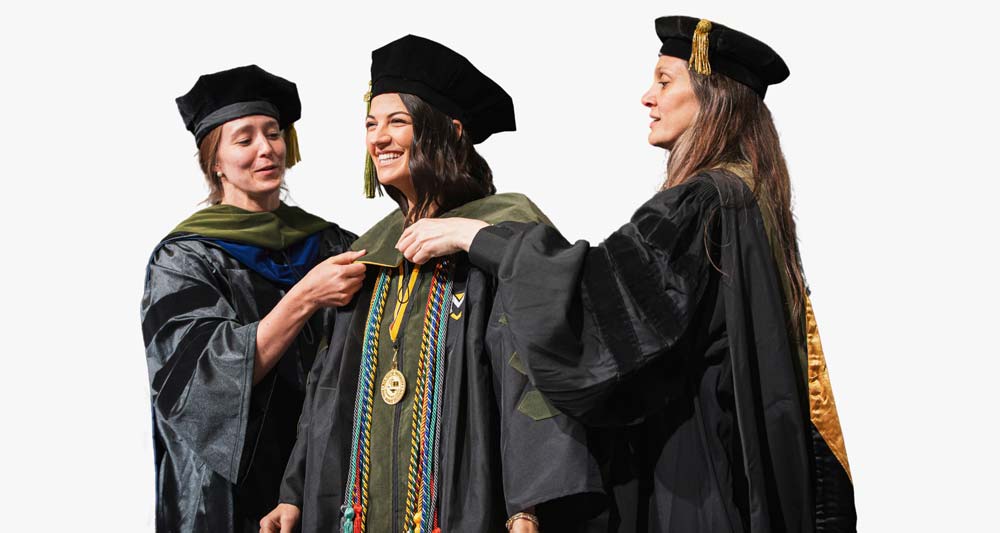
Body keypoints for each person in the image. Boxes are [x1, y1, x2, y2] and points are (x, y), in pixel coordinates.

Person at [397, 17, 857, 532]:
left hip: (698, 476)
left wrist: (477, 238)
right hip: (739, 469)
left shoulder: (701, 201)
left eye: (664, 80)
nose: (647, 96)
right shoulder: (753, 199)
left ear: (713, 97)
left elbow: (599, 300)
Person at [260, 35, 603, 533]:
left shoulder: (501, 234)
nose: (378, 138)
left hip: (465, 502)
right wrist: (293, 493)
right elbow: (327, 387)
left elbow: (529, 373)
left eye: (397, 121)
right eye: (370, 124)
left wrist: (528, 506)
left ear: (450, 131)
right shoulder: (368, 253)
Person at [140, 65, 364, 532]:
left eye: (273, 133)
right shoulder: (184, 260)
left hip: (328, 480)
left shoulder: (330, 243)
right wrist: (304, 297)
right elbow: (200, 387)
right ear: (214, 161)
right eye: (244, 139)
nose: (267, 148)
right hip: (227, 496)